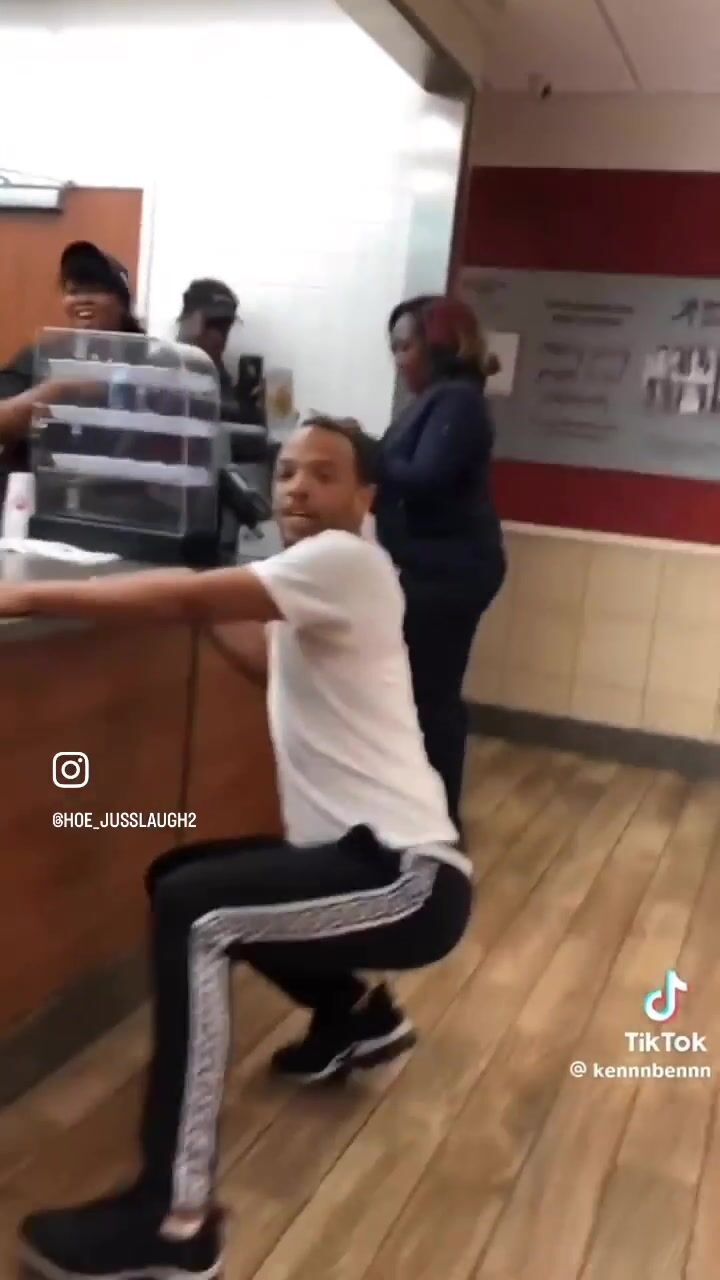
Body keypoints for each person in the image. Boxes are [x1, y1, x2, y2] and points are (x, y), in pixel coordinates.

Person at [7, 414, 473, 1280]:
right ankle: (354, 1017)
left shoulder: (344, 560)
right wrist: (202, 592)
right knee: (181, 875)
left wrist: (30, 596)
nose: (297, 487)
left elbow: (196, 603)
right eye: (287, 471)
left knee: (198, 913)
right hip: (377, 868)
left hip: (405, 879)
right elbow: (263, 661)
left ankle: (174, 1220)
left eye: (324, 474)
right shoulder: (329, 579)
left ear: (366, 496)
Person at [374, 295, 506, 838]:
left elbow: (425, 477)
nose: (398, 360)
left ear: (439, 345)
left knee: (431, 697)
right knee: (427, 693)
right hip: (439, 566)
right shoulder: (439, 400)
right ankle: (427, 814)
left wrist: (361, 455)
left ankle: (438, 822)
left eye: (405, 346)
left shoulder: (457, 401)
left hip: (450, 571)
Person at [0, 240, 144, 502]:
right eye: (73, 291)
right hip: (37, 504)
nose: (82, 300)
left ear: (122, 302)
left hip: (117, 506)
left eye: (96, 289)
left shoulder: (149, 364)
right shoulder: (40, 356)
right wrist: (59, 390)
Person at [177, 278, 244, 424]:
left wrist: (251, 410)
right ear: (187, 320)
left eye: (225, 327)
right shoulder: (160, 367)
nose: (218, 336)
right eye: (212, 324)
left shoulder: (220, 378)